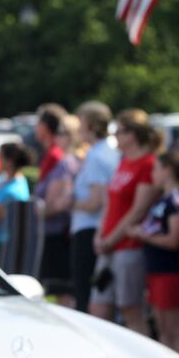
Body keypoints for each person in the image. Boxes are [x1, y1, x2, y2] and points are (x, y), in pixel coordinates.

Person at [91, 109, 161, 334]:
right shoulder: (124, 161)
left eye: (119, 132)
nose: (116, 137)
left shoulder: (147, 164)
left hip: (128, 247)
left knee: (130, 311)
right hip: (108, 246)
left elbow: (138, 210)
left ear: (133, 134)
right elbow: (110, 202)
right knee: (98, 310)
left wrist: (111, 239)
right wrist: (100, 234)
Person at [126, 150, 179, 358]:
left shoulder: (176, 199)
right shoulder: (163, 198)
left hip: (171, 271)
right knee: (163, 328)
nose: (152, 173)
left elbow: (174, 240)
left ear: (168, 170)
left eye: (156, 168)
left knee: (174, 328)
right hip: (157, 270)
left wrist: (143, 235)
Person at [70, 101, 120, 312]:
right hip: (97, 228)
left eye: (81, 122)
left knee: (84, 293)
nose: (78, 128)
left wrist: (69, 203)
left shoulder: (97, 156)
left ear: (91, 125)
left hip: (89, 230)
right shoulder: (107, 152)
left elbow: (95, 201)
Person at [33, 109, 80, 306]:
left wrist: (40, 207)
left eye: (61, 133)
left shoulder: (64, 162)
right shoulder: (64, 160)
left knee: (62, 293)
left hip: (58, 233)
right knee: (59, 291)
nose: (56, 137)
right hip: (57, 231)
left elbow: (56, 203)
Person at [0, 142, 31, 253]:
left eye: (0, 157)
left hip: (4, 245)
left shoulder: (14, 192)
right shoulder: (5, 179)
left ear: (9, 162)